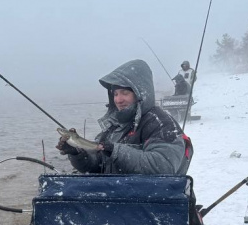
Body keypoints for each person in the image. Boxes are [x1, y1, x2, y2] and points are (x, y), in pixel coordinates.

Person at [56, 59, 189, 175]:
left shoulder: (161, 123)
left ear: (140, 93)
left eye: (125, 93)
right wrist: (77, 154)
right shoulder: (116, 125)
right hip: (118, 197)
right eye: (115, 94)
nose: (118, 100)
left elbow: (162, 166)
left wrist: (115, 150)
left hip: (149, 201)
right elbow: (98, 167)